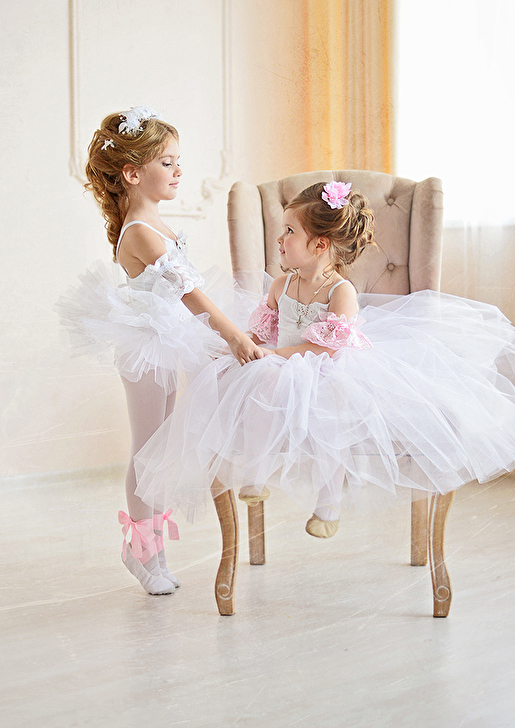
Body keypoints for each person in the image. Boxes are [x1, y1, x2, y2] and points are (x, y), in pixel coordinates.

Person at [133, 180, 515, 540]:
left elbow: (327, 350)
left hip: (327, 369)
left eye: (289, 231)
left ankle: (329, 500)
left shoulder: (341, 292)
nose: (279, 239)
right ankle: (256, 470)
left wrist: (273, 354)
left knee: (334, 406)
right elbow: (263, 332)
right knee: (259, 379)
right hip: (282, 361)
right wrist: (241, 345)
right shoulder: (281, 284)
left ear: (319, 245)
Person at [56, 106, 263, 595]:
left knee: (161, 448)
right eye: (167, 162)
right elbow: (190, 292)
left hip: (170, 338)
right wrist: (232, 335)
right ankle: (140, 551)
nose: (178, 170)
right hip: (148, 344)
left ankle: (155, 550)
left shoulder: (155, 224)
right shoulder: (140, 232)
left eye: (177, 161)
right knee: (148, 448)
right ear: (132, 174)